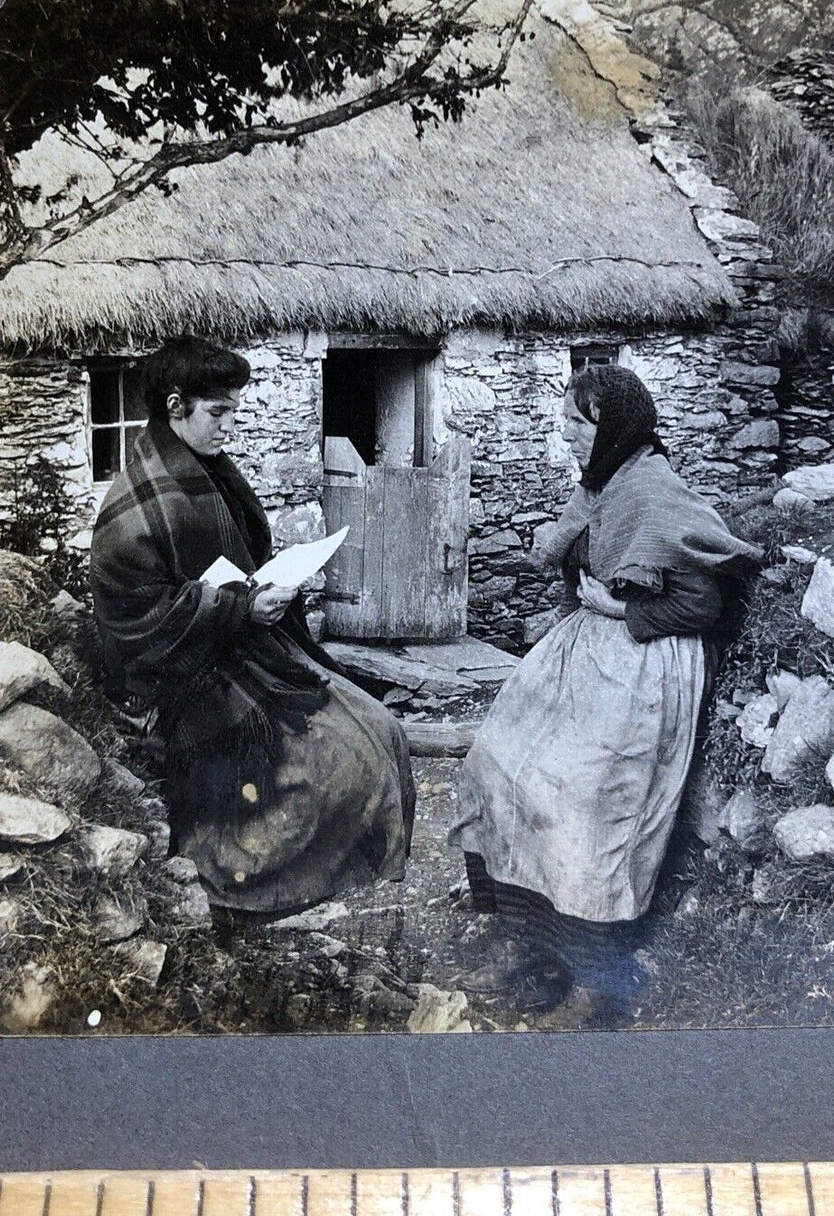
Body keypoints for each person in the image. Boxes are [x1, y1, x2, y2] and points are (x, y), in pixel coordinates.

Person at [449, 363, 760, 1024]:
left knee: (584, 802)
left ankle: (597, 972)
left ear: (611, 428)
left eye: (573, 423)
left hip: (643, 662)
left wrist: (620, 612)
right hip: (591, 649)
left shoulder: (652, 493)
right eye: (562, 419)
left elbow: (702, 603)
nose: (562, 434)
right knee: (498, 763)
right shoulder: (605, 484)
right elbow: (584, 555)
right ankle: (539, 942)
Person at [90, 335, 415, 925]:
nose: (231, 427)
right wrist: (240, 610)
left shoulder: (206, 474)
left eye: (235, 410)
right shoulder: (136, 506)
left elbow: (231, 565)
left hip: (237, 649)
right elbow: (136, 620)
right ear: (173, 407)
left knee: (382, 728)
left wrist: (266, 589)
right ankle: (249, 896)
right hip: (178, 679)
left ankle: (316, 882)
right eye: (218, 412)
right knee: (335, 764)